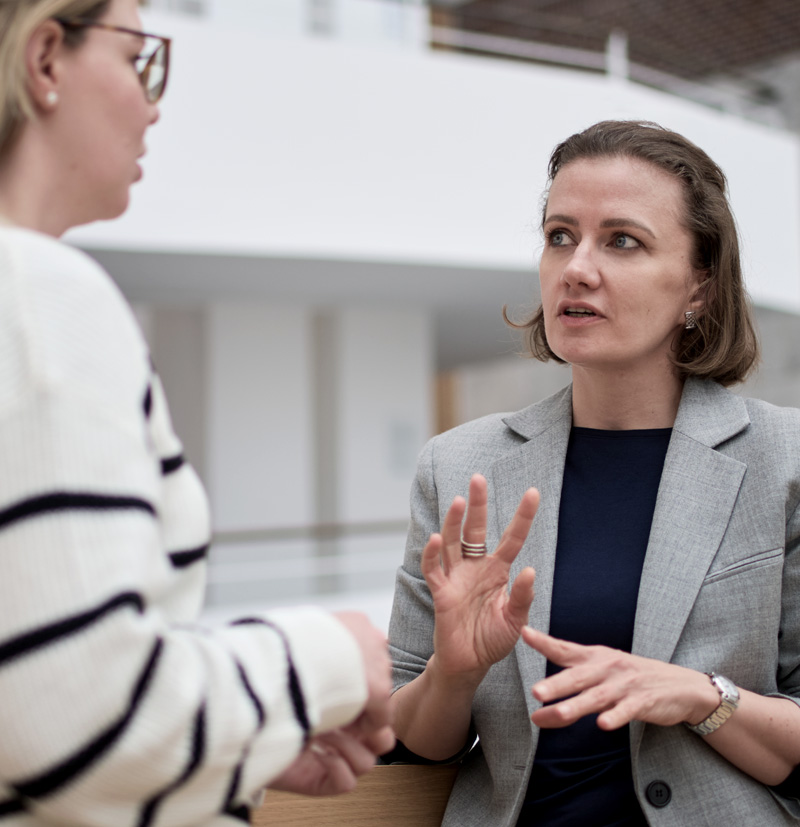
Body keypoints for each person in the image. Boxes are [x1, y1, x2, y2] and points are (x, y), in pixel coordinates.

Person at [0, 0, 394, 823]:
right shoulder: (39, 293)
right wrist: (329, 654)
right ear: (45, 59)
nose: (154, 101)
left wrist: (232, 742)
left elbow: (28, 698)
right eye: (140, 56)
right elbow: (86, 714)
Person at [386, 120, 800, 826]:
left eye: (622, 240)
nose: (577, 267)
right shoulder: (457, 466)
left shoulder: (784, 461)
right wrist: (452, 672)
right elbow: (412, 743)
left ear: (698, 285)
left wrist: (702, 695)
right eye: (559, 235)